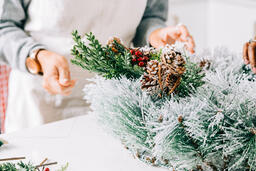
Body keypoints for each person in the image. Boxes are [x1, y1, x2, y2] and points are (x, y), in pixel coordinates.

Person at [0, 0, 195, 133]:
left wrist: (154, 34)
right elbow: (4, 26)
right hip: (42, 105)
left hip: (119, 101)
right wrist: (37, 56)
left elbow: (150, 17)